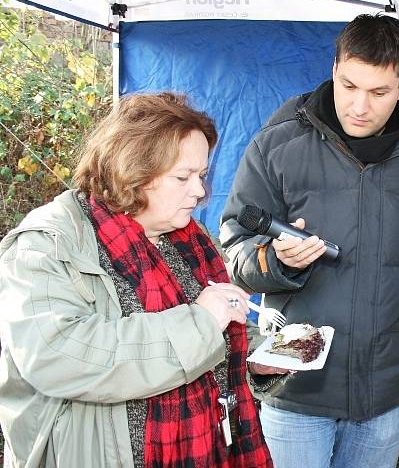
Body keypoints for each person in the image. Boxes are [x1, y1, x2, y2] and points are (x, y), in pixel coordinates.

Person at [219, 13, 399, 468]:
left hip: (387, 391)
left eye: (378, 92)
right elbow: (233, 250)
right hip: (296, 386)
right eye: (349, 86)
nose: (359, 106)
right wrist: (277, 260)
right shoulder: (278, 144)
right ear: (333, 69)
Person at [0, 92, 273, 468]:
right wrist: (200, 322)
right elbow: (56, 354)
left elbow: (216, 329)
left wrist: (256, 360)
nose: (199, 190)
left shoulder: (187, 237)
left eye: (202, 175)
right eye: (183, 177)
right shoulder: (47, 244)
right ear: (135, 171)